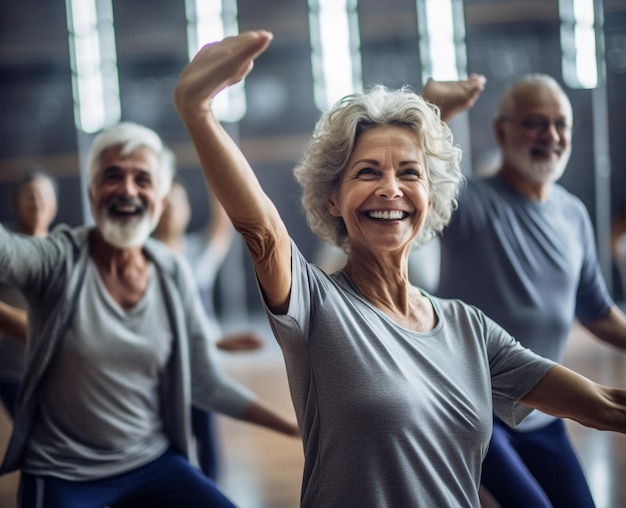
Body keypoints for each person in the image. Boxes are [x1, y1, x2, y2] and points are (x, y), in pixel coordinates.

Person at [173, 30, 626, 507]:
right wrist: (197, 110)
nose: (391, 188)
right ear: (334, 198)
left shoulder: (468, 327)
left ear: (430, 197)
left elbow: (601, 403)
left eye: (409, 173)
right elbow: (261, 232)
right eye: (368, 172)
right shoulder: (317, 305)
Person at [0, 120, 299, 508]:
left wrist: (292, 426)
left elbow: (205, 381)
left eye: (142, 179)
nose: (127, 189)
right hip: (66, 471)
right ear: (92, 192)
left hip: (151, 462)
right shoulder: (58, 259)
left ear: (159, 199)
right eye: (113, 176)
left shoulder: (171, 270)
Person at [435, 72, 626, 507]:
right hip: (475, 416)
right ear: (502, 130)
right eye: (535, 123)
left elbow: (596, 311)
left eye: (561, 124)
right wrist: (438, 108)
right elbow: (420, 168)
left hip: (544, 413)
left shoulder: (573, 213)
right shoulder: (467, 202)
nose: (552, 136)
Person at [153, 173, 265, 480]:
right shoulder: (143, 258)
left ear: (187, 208)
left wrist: (213, 169)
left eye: (177, 202)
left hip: (202, 364)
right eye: (165, 203)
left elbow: (221, 224)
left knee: (206, 437)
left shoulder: (196, 253)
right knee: (168, 440)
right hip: (161, 368)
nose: (171, 209)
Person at [0, 167, 58, 420]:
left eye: (44, 196)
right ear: (16, 202)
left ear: (55, 203)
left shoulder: (65, 252)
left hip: (56, 378)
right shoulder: (6, 251)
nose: (37, 203)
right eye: (30, 196)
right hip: (10, 374)